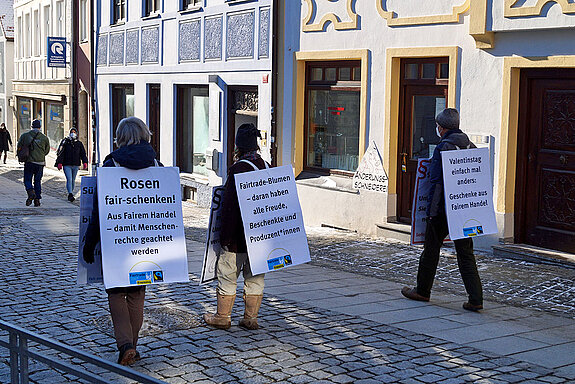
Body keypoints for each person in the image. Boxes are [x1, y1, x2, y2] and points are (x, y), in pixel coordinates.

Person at [83, 116, 159, 365]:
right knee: (137, 293)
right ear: (145, 135)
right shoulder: (157, 165)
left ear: (120, 138)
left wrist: (89, 242)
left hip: (116, 240)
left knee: (117, 293)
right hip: (146, 241)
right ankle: (132, 346)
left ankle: (125, 344)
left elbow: (99, 209)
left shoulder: (111, 164)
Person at [401, 108, 483, 311]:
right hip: (463, 208)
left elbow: (436, 182)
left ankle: (422, 291)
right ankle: (476, 299)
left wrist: (431, 211)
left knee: (431, 250)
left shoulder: (443, 148)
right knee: (466, 253)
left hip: (443, 210)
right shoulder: (470, 146)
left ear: (442, 128)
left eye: (438, 126)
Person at [204, 123, 268, 330]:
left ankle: (223, 316)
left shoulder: (238, 169)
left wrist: (225, 239)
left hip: (238, 238)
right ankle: (251, 318)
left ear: (238, 147)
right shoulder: (266, 166)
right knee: (255, 276)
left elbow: (229, 208)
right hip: (261, 238)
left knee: (228, 274)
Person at [17, 119, 50, 207]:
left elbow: (19, 147)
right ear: (40, 127)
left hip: (29, 162)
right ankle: (37, 200)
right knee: (37, 181)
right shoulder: (44, 137)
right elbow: (47, 150)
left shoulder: (25, 136)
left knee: (27, 179)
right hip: (40, 163)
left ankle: (31, 192)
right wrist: (40, 155)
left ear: (31, 126)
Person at [55, 127, 89, 202]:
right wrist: (59, 162)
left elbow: (83, 153)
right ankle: (70, 194)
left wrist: (85, 162)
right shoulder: (65, 142)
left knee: (73, 180)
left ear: (76, 133)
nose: (73, 133)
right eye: (72, 132)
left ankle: (71, 192)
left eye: (74, 132)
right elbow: (61, 153)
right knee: (69, 179)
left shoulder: (79, 143)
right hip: (67, 164)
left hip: (76, 164)